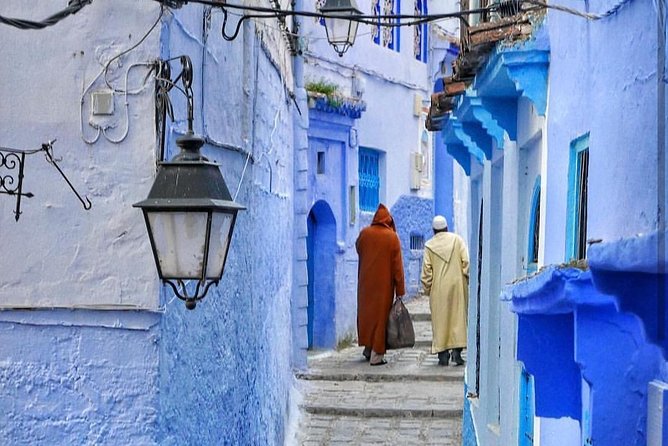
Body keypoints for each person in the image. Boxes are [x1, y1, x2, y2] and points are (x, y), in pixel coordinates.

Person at [356, 203, 406, 366]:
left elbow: (358, 248)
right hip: (383, 285)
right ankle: (376, 354)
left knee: (367, 315)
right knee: (380, 317)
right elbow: (397, 267)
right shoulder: (392, 238)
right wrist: (400, 290)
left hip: (365, 283)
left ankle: (368, 347)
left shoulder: (364, 234)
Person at [421, 215, 469, 366]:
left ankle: (442, 353)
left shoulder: (429, 246)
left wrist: (428, 288)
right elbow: (466, 261)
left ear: (434, 230)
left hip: (439, 288)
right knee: (457, 318)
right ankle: (457, 352)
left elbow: (427, 271)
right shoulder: (457, 240)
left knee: (441, 320)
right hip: (457, 286)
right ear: (446, 228)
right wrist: (466, 278)